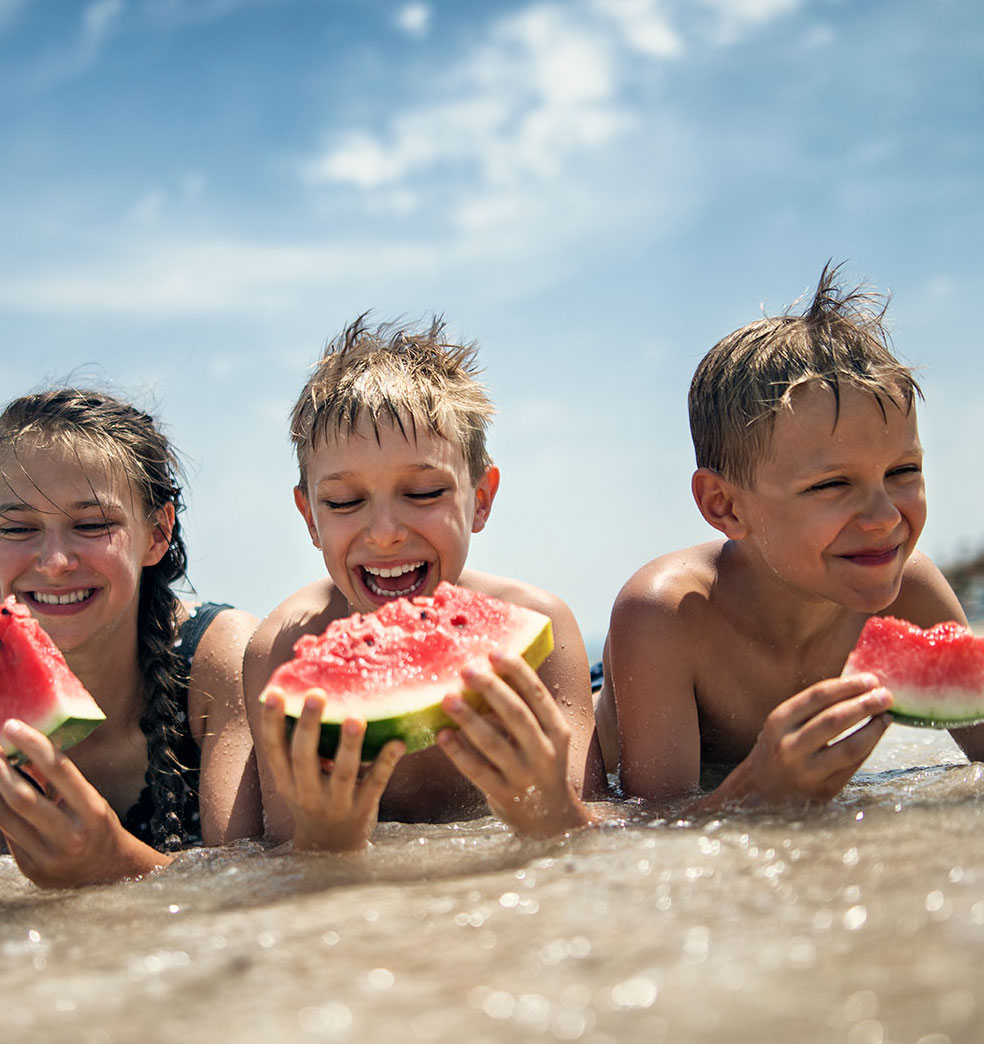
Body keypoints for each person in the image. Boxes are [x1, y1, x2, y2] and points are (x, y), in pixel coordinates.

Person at [594, 263, 984, 810]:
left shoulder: (911, 589)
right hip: (619, 693)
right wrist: (754, 796)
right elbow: (649, 826)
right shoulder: (666, 613)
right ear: (723, 505)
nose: (883, 517)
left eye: (902, 472)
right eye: (832, 484)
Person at [246, 316, 605, 852]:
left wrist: (552, 812)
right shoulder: (280, 652)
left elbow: (591, 835)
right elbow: (283, 860)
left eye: (423, 492)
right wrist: (326, 840)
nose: (386, 534)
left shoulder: (541, 630)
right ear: (309, 518)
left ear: (480, 498)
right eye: (344, 502)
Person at [0, 389, 261, 887]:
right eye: (15, 528)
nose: (55, 563)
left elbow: (256, 891)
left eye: (93, 524)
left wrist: (113, 863)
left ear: (157, 533)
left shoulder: (219, 656)